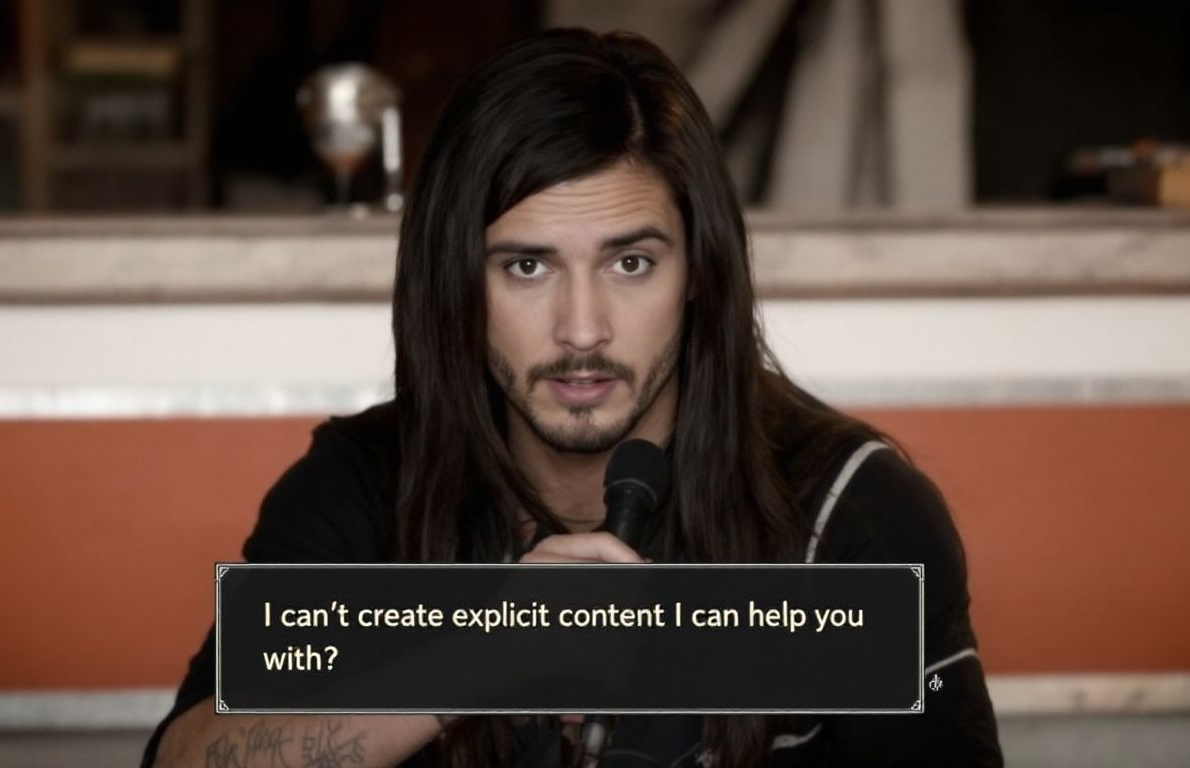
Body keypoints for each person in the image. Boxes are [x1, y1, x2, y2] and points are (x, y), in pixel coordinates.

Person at [142, 28, 1002, 768]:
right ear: (456, 284)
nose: (582, 329)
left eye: (631, 263)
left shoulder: (850, 517)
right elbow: (187, 756)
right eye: (527, 265)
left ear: (699, 273)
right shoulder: (369, 486)